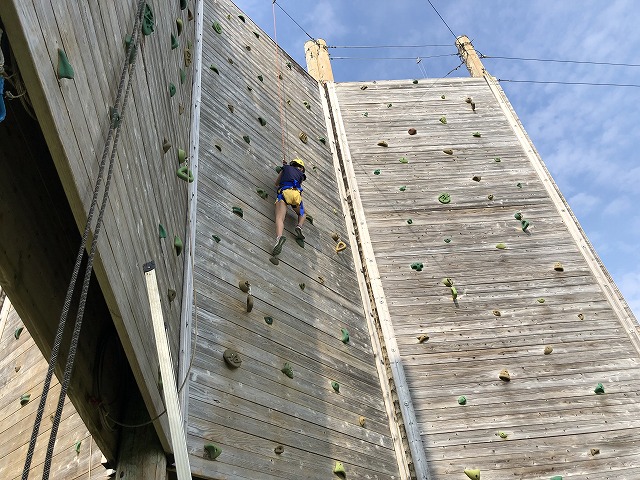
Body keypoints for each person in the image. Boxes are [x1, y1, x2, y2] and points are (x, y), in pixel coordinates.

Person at [272, 157, 306, 256]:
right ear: (302, 169)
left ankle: (279, 238)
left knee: (280, 218)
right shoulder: (301, 175)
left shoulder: (286, 168)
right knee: (302, 213)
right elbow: (299, 185)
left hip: (284, 193)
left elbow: (276, 183)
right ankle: (299, 226)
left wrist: (284, 168)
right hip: (295, 195)